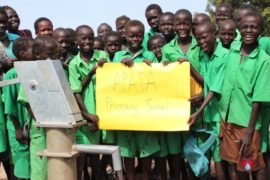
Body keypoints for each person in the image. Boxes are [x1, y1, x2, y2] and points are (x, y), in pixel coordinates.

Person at [218, 11, 270, 179]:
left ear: (261, 30)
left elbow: (258, 99)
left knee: (249, 164)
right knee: (234, 163)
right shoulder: (233, 48)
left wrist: (249, 131)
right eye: (245, 27)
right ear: (239, 28)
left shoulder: (264, 60)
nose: (249, 30)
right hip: (228, 119)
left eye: (254, 27)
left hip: (246, 122)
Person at [113, 20, 160, 180]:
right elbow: (111, 80)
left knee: (146, 153)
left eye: (139, 36)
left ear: (143, 36)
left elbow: (159, 81)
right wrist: (120, 66)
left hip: (145, 114)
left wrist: (152, 67)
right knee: (128, 152)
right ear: (125, 36)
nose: (135, 39)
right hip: (124, 114)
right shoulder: (118, 56)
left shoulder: (150, 55)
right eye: (131, 36)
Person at [161, 9, 203, 180]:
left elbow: (206, 71)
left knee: (196, 149)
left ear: (192, 24)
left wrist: (203, 93)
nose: (182, 26)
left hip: (199, 105)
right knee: (176, 150)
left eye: (186, 23)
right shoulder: (167, 48)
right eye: (178, 23)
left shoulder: (199, 44)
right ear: (174, 26)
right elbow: (164, 77)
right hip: (176, 107)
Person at [189, 21, 229, 180]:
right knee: (204, 160)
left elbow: (213, 89)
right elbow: (206, 81)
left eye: (204, 37)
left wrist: (198, 112)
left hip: (220, 116)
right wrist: (189, 67)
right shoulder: (203, 55)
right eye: (198, 39)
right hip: (208, 117)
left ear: (215, 35)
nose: (201, 42)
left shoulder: (225, 56)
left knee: (220, 162)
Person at [68, 25, 109, 180]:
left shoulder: (102, 55)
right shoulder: (74, 64)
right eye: (83, 38)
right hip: (87, 115)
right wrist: (87, 115)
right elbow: (76, 92)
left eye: (90, 38)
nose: (87, 41)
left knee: (105, 152)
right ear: (76, 40)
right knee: (84, 156)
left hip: (106, 112)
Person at [17, 36, 59, 180]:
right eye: (49, 55)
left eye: (55, 55)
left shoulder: (54, 72)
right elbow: (30, 105)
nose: (53, 58)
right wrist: (45, 122)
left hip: (57, 129)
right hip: (41, 130)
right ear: (37, 55)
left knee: (56, 167)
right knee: (40, 170)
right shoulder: (30, 74)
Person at [3, 37, 34, 180]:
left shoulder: (34, 70)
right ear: (22, 53)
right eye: (33, 50)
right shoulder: (12, 74)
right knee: (22, 162)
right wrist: (17, 129)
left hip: (30, 124)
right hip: (18, 124)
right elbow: (10, 105)